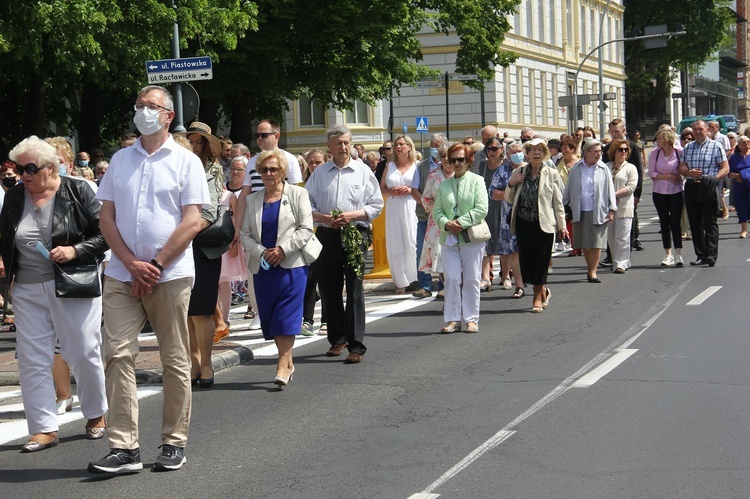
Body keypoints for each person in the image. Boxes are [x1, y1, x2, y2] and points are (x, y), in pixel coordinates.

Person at [89, 85, 209, 474]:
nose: (143, 111)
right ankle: (124, 447)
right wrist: (130, 262)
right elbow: (106, 218)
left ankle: (174, 442)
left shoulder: (186, 161)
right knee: (116, 353)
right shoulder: (121, 160)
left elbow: (193, 220)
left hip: (170, 274)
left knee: (174, 357)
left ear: (168, 115)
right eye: (139, 105)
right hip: (122, 273)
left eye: (151, 106)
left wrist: (154, 264)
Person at [2, 136, 108, 452]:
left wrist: (76, 250)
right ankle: (43, 428)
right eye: (19, 168)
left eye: (30, 168)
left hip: (73, 283)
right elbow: (6, 235)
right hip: (27, 287)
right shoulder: (15, 196)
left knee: (83, 351)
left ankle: (95, 414)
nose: (24, 174)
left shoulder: (78, 191)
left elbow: (105, 234)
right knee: (33, 359)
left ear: (51, 167)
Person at [305, 125, 383, 364]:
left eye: (346, 142)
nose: (343, 147)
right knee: (329, 288)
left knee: (355, 288)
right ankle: (337, 338)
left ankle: (357, 344)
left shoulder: (362, 171)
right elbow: (306, 204)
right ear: (329, 146)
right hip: (327, 234)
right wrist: (323, 217)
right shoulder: (320, 173)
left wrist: (353, 215)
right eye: (338, 143)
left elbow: (376, 205)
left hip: (355, 233)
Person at [240, 150, 314, 385]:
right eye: (264, 170)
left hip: (292, 265)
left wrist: (282, 250)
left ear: (283, 172)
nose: (269, 173)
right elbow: (245, 234)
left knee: (286, 316)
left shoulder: (298, 193)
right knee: (271, 317)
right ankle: (289, 362)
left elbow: (306, 229)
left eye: (274, 169)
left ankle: (282, 364)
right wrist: (262, 252)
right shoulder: (252, 200)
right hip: (264, 267)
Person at [177, 122, 229, 387]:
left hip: (201, 245)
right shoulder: (177, 167)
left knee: (202, 309)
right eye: (192, 142)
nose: (195, 147)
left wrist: (182, 233)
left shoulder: (213, 169)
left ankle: (206, 365)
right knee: (185, 311)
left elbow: (208, 212)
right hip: (179, 245)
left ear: (208, 145)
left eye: (200, 142)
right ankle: (194, 363)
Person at [432, 143, 488, 334]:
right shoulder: (444, 185)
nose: (456, 163)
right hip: (449, 238)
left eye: (460, 159)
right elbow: (437, 211)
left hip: (471, 237)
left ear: (469, 160)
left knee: (472, 279)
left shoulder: (477, 181)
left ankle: (471, 319)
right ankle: (453, 319)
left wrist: (460, 222)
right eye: (452, 159)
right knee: (452, 279)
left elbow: (481, 209)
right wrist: (447, 224)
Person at [506, 138, 567, 312]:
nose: (536, 153)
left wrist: (562, 226)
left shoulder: (551, 173)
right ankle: (544, 291)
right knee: (527, 262)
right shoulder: (519, 171)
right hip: (523, 222)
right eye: (532, 149)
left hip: (544, 223)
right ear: (527, 153)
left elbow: (558, 203)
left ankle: (536, 297)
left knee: (541, 261)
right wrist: (512, 183)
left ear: (545, 153)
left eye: (540, 149)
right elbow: (508, 198)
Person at [233, 120, 303, 243]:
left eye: (264, 135)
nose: (259, 138)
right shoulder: (251, 162)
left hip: (282, 219)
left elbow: (297, 194)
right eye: (257, 135)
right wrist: (238, 228)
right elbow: (244, 195)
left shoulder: (290, 159)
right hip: (256, 218)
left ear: (276, 136)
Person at [563, 138, 616, 283]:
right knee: (585, 243)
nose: (599, 154)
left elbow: (610, 190)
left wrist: (612, 209)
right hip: (579, 209)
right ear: (586, 153)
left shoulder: (604, 169)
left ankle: (593, 272)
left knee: (596, 242)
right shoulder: (576, 168)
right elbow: (568, 188)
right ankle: (589, 267)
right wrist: (564, 206)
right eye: (595, 152)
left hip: (598, 209)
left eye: (600, 151)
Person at [678, 119, 729, 267]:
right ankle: (701, 254)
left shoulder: (716, 146)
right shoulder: (688, 148)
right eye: (695, 130)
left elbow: (725, 167)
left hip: (708, 186)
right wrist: (688, 172)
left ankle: (711, 255)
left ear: (707, 130)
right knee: (695, 222)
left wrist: (714, 178)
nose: (698, 132)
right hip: (692, 186)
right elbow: (681, 166)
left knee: (710, 221)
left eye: (701, 129)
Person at [216, 156, 249, 342]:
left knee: (224, 284)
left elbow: (236, 220)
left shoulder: (229, 196)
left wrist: (234, 242)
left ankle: (225, 319)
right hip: (211, 242)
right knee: (213, 284)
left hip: (226, 242)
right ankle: (216, 317)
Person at [380, 135, 419, 294]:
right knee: (396, 243)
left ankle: (416, 278)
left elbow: (423, 188)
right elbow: (381, 188)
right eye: (396, 144)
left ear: (410, 146)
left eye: (402, 144)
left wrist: (410, 190)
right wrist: (391, 191)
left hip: (411, 204)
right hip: (394, 205)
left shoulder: (417, 166)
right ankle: (400, 281)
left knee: (412, 241)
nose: (398, 147)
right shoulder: (389, 166)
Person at [412, 133, 446, 298]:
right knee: (423, 251)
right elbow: (415, 189)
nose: (435, 148)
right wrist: (425, 205)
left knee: (443, 252)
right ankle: (424, 286)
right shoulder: (423, 166)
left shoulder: (452, 167)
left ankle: (442, 286)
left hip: (444, 220)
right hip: (425, 217)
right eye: (432, 145)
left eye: (438, 145)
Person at [418, 142, 454, 300]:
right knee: (439, 257)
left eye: (449, 156)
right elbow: (425, 198)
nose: (446, 159)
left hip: (457, 223)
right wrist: (435, 205)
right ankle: (447, 287)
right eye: (444, 156)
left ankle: (453, 288)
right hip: (437, 223)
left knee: (454, 257)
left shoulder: (461, 174)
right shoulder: (433, 174)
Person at [489, 140, 524, 297]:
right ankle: (506, 276)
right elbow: (492, 192)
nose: (517, 154)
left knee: (520, 250)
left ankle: (522, 280)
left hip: (527, 216)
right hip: (508, 216)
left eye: (519, 151)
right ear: (508, 155)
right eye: (514, 152)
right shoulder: (502, 170)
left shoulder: (528, 168)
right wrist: (510, 194)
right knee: (508, 249)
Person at [603, 119, 643, 252]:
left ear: (624, 131)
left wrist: (637, 193)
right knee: (610, 223)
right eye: (612, 132)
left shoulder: (632, 146)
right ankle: (610, 255)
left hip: (627, 191)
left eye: (617, 131)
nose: (614, 134)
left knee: (627, 223)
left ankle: (627, 251)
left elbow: (639, 170)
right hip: (610, 191)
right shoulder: (607, 149)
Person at [301, 148, 328, 335]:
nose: (314, 166)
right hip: (307, 237)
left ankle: (327, 319)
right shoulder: (302, 186)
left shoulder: (329, 182)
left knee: (326, 279)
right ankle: (308, 320)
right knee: (309, 280)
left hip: (325, 234)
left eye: (317, 162)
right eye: (310, 162)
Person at [649, 128, 685, 266]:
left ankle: (678, 254)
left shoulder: (679, 152)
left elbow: (683, 168)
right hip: (659, 192)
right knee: (664, 222)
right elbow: (651, 173)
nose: (657, 142)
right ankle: (667, 254)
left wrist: (680, 175)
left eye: (659, 139)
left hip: (676, 191)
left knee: (675, 222)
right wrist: (669, 177)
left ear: (666, 140)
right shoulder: (655, 153)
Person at [605, 138, 638, 273]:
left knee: (623, 236)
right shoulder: (606, 167)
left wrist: (613, 195)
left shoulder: (630, 168)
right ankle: (615, 260)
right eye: (620, 149)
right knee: (611, 237)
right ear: (614, 151)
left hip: (624, 206)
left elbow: (630, 187)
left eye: (626, 149)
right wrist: (608, 199)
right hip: (607, 207)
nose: (623, 152)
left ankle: (621, 263)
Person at [477, 137, 505, 292]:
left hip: (504, 205)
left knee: (504, 241)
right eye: (488, 149)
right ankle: (485, 277)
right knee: (485, 242)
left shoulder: (506, 165)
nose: (491, 152)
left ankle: (506, 275)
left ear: (501, 149)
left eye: (494, 148)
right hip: (486, 207)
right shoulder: (483, 165)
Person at [557, 136, 579, 254]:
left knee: (579, 221)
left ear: (572, 149)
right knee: (568, 222)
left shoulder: (580, 162)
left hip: (578, 196)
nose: (565, 150)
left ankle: (582, 244)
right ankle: (575, 246)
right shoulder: (559, 163)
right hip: (564, 196)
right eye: (563, 148)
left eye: (567, 148)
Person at [728, 135, 750, 238]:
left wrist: (745, 173)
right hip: (739, 185)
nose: (746, 144)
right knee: (741, 207)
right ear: (739, 145)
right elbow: (729, 172)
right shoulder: (734, 158)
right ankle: (744, 230)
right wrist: (738, 175)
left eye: (748, 142)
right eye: (744, 142)